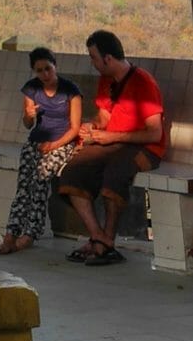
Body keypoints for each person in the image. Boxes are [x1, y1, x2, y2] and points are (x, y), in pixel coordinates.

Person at [55, 29, 166, 266]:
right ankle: (99, 238)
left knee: (114, 176)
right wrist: (92, 126)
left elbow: (155, 132)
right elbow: (104, 116)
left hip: (145, 148)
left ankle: (107, 241)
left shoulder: (142, 82)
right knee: (73, 171)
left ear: (108, 58)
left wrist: (111, 136)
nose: (92, 63)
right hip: (112, 143)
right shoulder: (107, 80)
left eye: (93, 57)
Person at [0, 47, 81, 253]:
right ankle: (11, 232)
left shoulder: (70, 90)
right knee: (24, 184)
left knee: (40, 180)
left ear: (55, 67)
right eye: (39, 71)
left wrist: (53, 145)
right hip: (37, 141)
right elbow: (28, 124)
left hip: (61, 142)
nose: (44, 75)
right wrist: (28, 115)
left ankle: (31, 232)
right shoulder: (31, 89)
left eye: (48, 69)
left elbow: (75, 127)